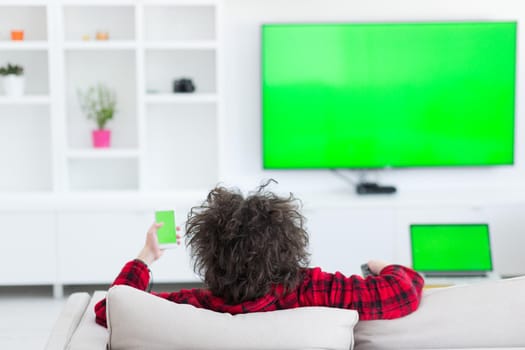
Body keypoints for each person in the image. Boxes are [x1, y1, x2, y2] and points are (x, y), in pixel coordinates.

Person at [95, 181, 424, 327]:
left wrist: (146, 256)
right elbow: (403, 291)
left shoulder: (189, 306)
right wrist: (382, 266)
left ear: (208, 254)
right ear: (289, 245)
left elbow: (110, 309)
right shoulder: (318, 292)